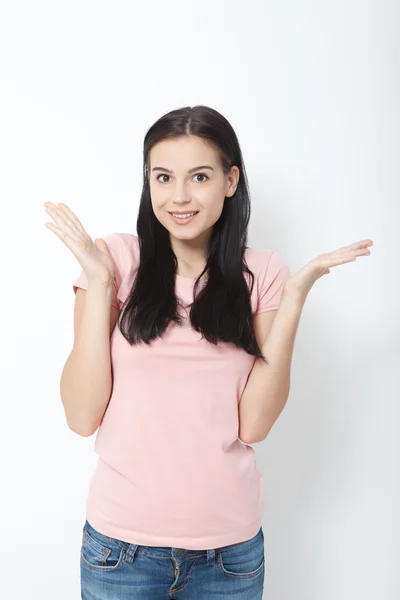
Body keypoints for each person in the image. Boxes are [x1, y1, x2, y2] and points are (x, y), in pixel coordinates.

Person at [44, 105, 373, 599]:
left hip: (230, 556)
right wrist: (99, 280)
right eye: (163, 177)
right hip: (120, 550)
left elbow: (255, 425)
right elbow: (81, 414)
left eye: (199, 176)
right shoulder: (114, 260)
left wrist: (295, 300)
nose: (179, 196)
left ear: (230, 179)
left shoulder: (262, 272)